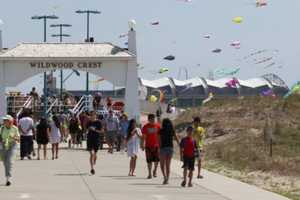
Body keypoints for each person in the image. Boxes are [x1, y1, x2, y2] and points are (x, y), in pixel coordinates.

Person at [158, 118, 180, 185]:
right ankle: (167, 179)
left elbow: (159, 141)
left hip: (163, 148)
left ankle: (165, 178)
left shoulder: (160, 131)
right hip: (170, 148)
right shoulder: (172, 130)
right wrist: (180, 146)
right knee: (168, 165)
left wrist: (159, 149)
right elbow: (177, 139)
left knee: (162, 165)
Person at [0, 115, 20, 186]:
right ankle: (7, 176)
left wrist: (13, 137)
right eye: (4, 120)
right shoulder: (2, 128)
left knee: (9, 161)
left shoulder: (15, 128)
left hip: (12, 145)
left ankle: (8, 178)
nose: (4, 121)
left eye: (6, 120)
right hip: (4, 145)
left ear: (10, 121)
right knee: (5, 162)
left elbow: (18, 139)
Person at [141, 114, 161, 179]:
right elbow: (143, 137)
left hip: (156, 145)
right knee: (149, 161)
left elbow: (160, 136)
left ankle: (155, 170)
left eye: (153, 119)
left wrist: (161, 144)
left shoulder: (158, 126)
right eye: (151, 119)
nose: (153, 120)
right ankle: (149, 173)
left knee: (157, 160)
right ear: (148, 119)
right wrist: (142, 144)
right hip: (148, 146)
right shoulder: (145, 127)